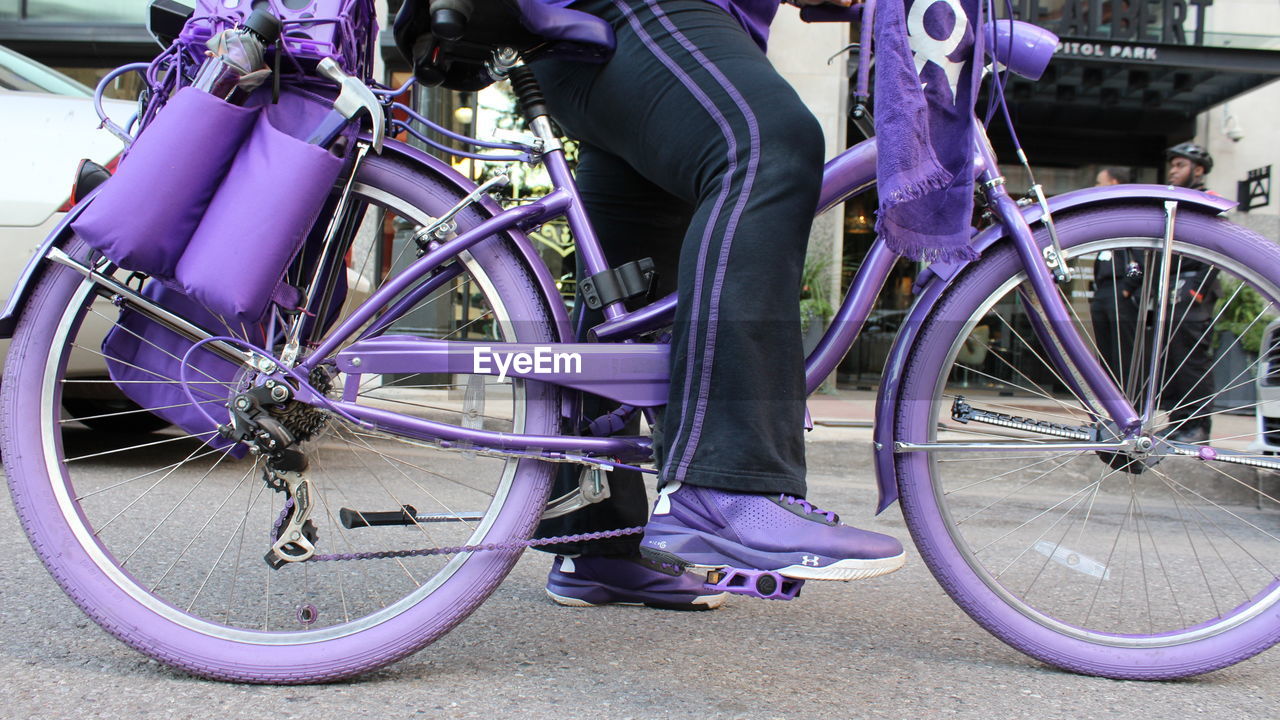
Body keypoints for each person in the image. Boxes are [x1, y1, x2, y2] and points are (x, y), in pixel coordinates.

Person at [528, 0, 906, 610]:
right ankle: (724, 490)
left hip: (597, 37)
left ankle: (601, 545)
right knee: (769, 144)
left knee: (632, 290)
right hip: (639, 13)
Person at [1157, 142, 1219, 443]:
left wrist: (1198, 290)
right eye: (1172, 165)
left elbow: (1218, 249)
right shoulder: (1178, 202)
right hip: (1170, 288)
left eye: (1180, 165)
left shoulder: (1209, 202)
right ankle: (1178, 422)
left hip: (1192, 288)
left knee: (1191, 359)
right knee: (1171, 358)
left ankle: (1197, 426)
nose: (1173, 170)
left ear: (1198, 169)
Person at [1089, 166, 1140, 389]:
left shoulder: (1127, 215)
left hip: (1120, 288)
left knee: (1122, 350)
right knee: (1104, 349)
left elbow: (1139, 258)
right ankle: (1108, 396)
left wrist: (1128, 287)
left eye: (1100, 182)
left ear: (1114, 184)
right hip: (1102, 289)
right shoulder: (1105, 216)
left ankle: (1127, 396)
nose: (1096, 187)